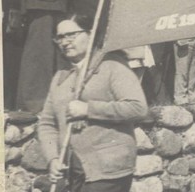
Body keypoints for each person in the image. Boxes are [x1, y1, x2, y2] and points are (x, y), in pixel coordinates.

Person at [39, 12, 148, 192]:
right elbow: (47, 123)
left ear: (91, 34)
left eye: (71, 35)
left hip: (108, 169)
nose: (65, 42)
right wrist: (52, 158)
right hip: (71, 171)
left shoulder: (113, 66)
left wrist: (89, 109)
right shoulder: (60, 77)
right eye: (60, 38)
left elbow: (137, 107)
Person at [173, 38, 195, 105]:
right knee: (182, 71)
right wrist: (177, 39)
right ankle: (180, 98)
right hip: (183, 41)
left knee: (193, 72)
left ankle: (192, 97)